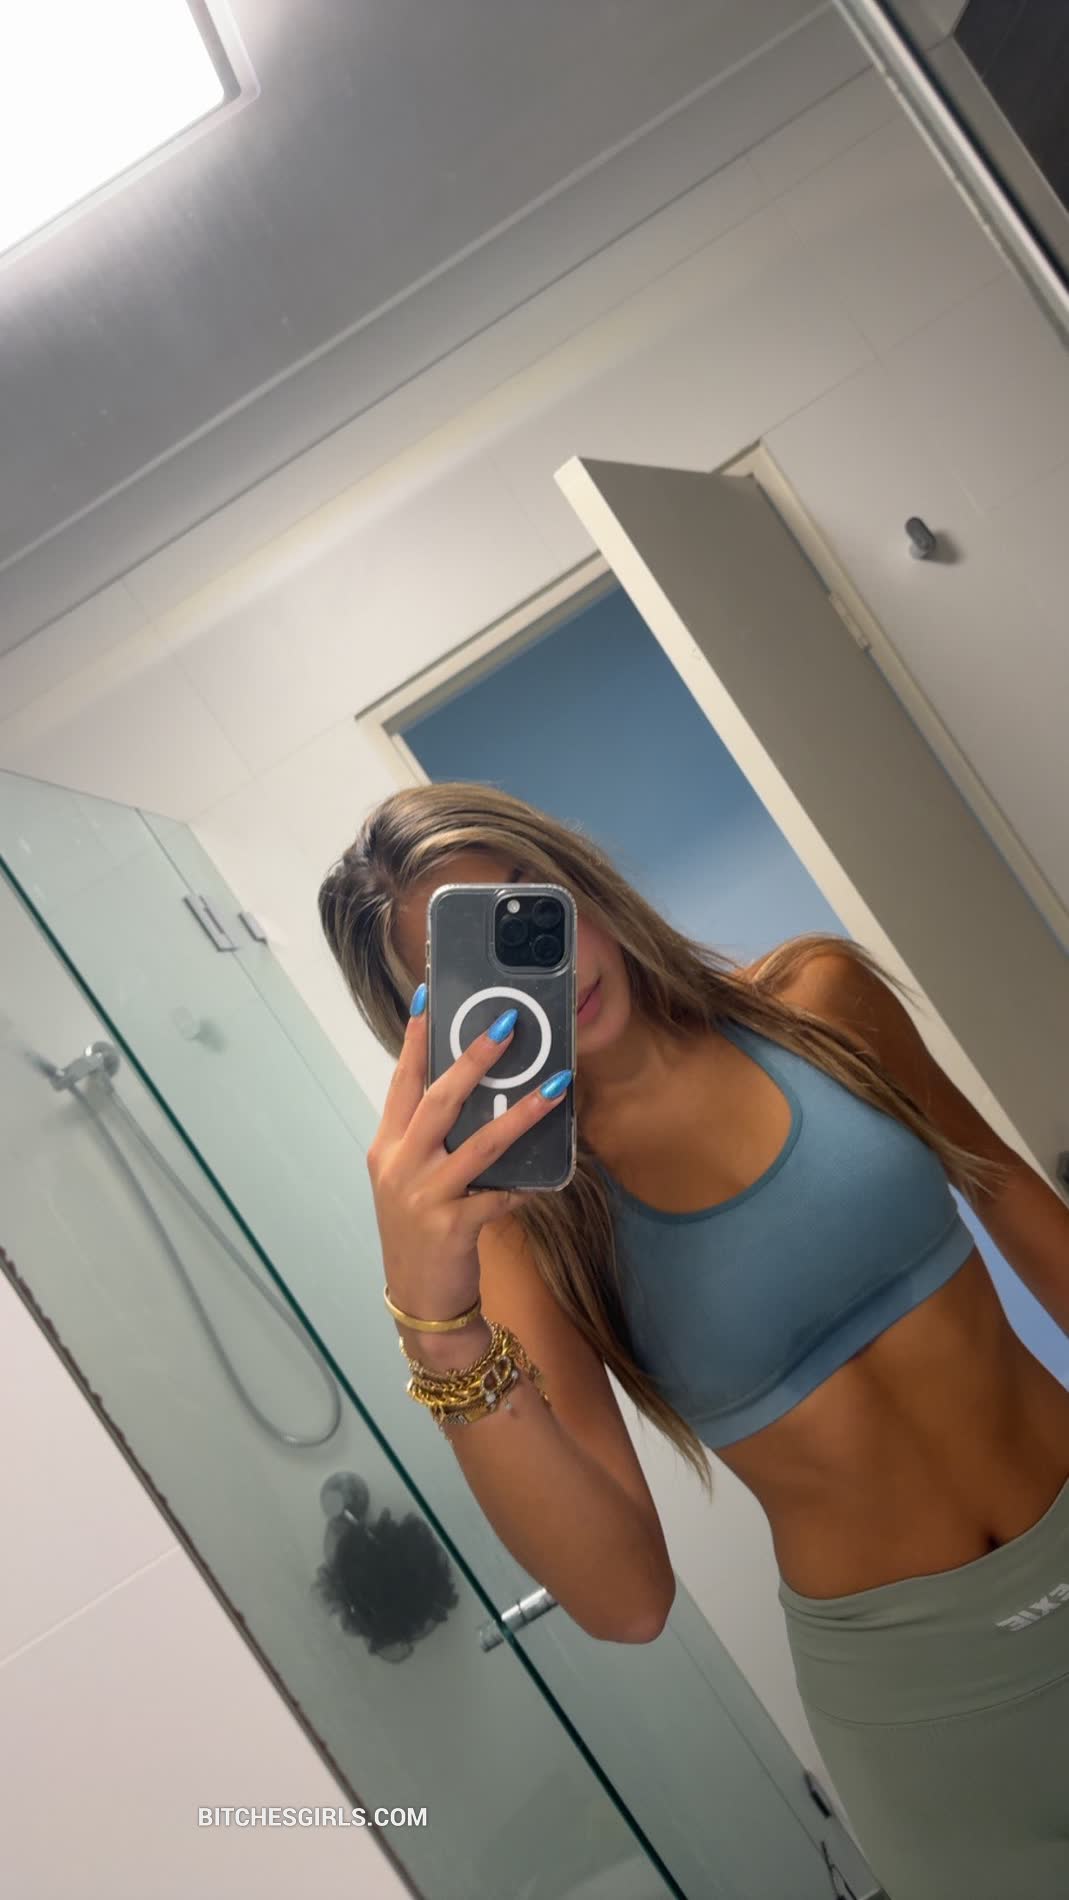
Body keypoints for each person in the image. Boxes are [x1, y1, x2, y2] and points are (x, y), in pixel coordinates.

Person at [317, 780, 1069, 1900]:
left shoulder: (820, 998)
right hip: (921, 1710)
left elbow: (1004, 1189)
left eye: (532, 904)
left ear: (576, 877)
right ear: (438, 1024)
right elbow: (626, 1598)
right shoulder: (528, 1230)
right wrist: (436, 1322)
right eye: (486, 960)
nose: (549, 964)